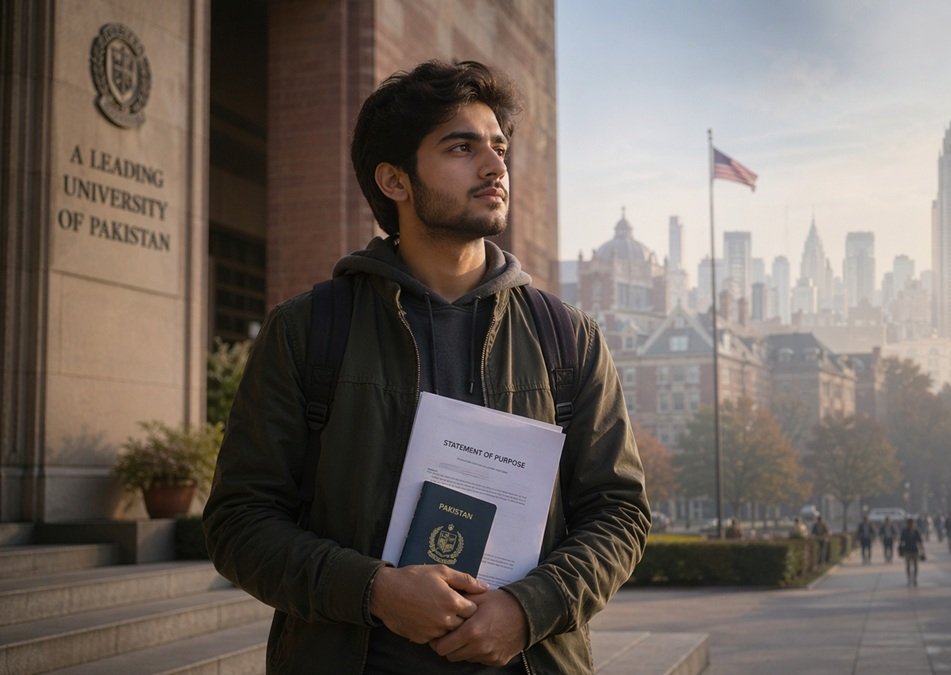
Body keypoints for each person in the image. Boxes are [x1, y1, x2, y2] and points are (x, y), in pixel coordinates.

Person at [202, 60, 650, 674]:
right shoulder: (309, 330)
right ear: (395, 180)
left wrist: (529, 609)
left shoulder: (566, 337)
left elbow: (619, 513)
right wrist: (374, 592)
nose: (495, 167)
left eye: (498, 147)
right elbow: (239, 522)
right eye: (461, 147)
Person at [898, 517, 924, 586]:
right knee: (908, 566)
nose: (911, 525)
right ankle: (909, 578)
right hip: (907, 550)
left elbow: (920, 541)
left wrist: (922, 551)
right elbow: (901, 541)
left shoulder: (916, 531)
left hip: (915, 550)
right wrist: (900, 550)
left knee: (915, 566)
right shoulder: (904, 531)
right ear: (907, 524)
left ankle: (915, 578)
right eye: (909, 523)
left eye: (912, 523)